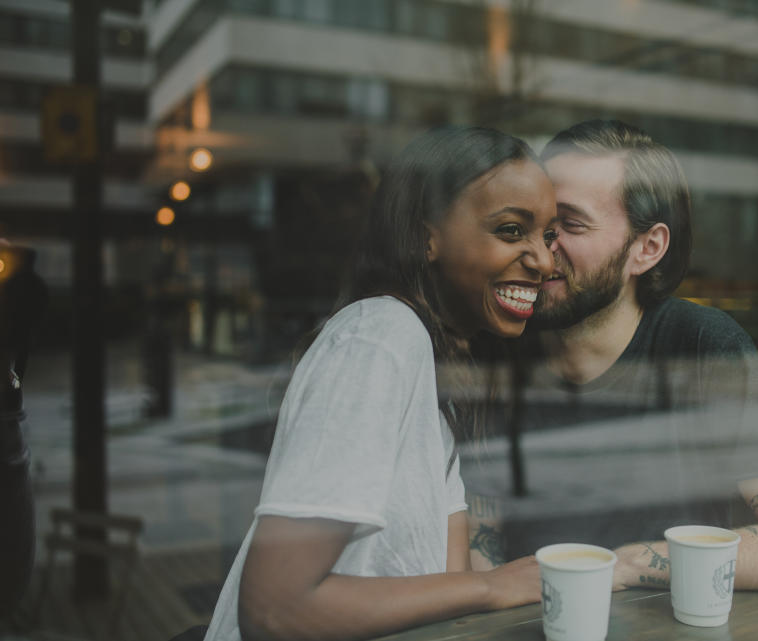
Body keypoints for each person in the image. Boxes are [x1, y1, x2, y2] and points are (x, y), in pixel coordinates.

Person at [468, 120, 758, 591]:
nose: (542, 248)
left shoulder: (701, 349)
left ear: (646, 249)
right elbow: (477, 548)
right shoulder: (492, 347)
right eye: (538, 221)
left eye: (569, 224)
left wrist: (624, 567)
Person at [203, 126, 557, 641]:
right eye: (510, 230)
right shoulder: (380, 337)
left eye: (548, 236)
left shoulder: (429, 374)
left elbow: (443, 588)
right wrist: (495, 587)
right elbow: (275, 609)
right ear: (424, 236)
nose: (544, 260)